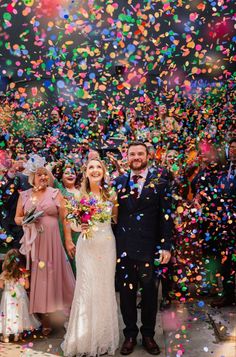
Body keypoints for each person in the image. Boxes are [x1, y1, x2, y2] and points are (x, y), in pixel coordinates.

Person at [114, 142, 173, 355]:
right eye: (132, 154)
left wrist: (166, 246)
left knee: (149, 294)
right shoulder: (117, 182)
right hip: (124, 248)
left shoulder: (161, 182)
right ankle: (130, 334)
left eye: (140, 153)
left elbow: (167, 217)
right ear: (126, 157)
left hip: (150, 248)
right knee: (126, 296)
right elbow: (112, 217)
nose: (136, 157)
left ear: (148, 156)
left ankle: (148, 334)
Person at [62, 158, 119, 357]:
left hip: (107, 244)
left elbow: (116, 219)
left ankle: (102, 338)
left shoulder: (111, 194)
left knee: (104, 288)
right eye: (91, 167)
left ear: (103, 172)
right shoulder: (79, 195)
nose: (95, 170)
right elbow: (71, 222)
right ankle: (83, 339)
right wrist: (81, 226)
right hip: (86, 247)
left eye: (98, 167)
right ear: (85, 173)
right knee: (86, 288)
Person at [15, 157, 75, 336]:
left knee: (55, 277)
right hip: (34, 244)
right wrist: (24, 220)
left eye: (45, 174)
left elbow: (65, 219)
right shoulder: (24, 195)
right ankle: (45, 319)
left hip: (52, 243)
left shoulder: (55, 193)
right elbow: (17, 217)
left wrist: (68, 240)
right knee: (38, 279)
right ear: (32, 177)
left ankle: (64, 316)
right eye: (39, 174)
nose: (43, 177)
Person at [0, 249, 40, 343]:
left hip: (8, 297)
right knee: (19, 314)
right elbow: (27, 286)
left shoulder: (4, 274)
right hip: (20, 297)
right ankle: (17, 335)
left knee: (8, 314)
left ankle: (6, 336)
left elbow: (1, 286)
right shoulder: (23, 273)